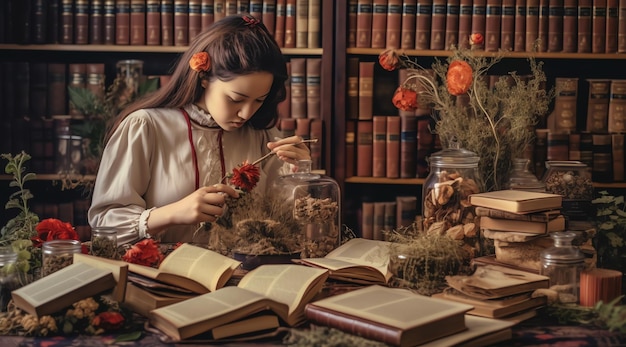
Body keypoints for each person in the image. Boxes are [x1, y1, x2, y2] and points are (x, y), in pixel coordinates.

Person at [88, 14, 311, 245]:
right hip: (161, 276)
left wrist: (300, 175)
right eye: (236, 99)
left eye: (259, 100)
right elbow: (104, 226)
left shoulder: (263, 137)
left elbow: (286, 228)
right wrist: (171, 213)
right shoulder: (146, 127)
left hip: (244, 277)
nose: (247, 113)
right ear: (203, 76)